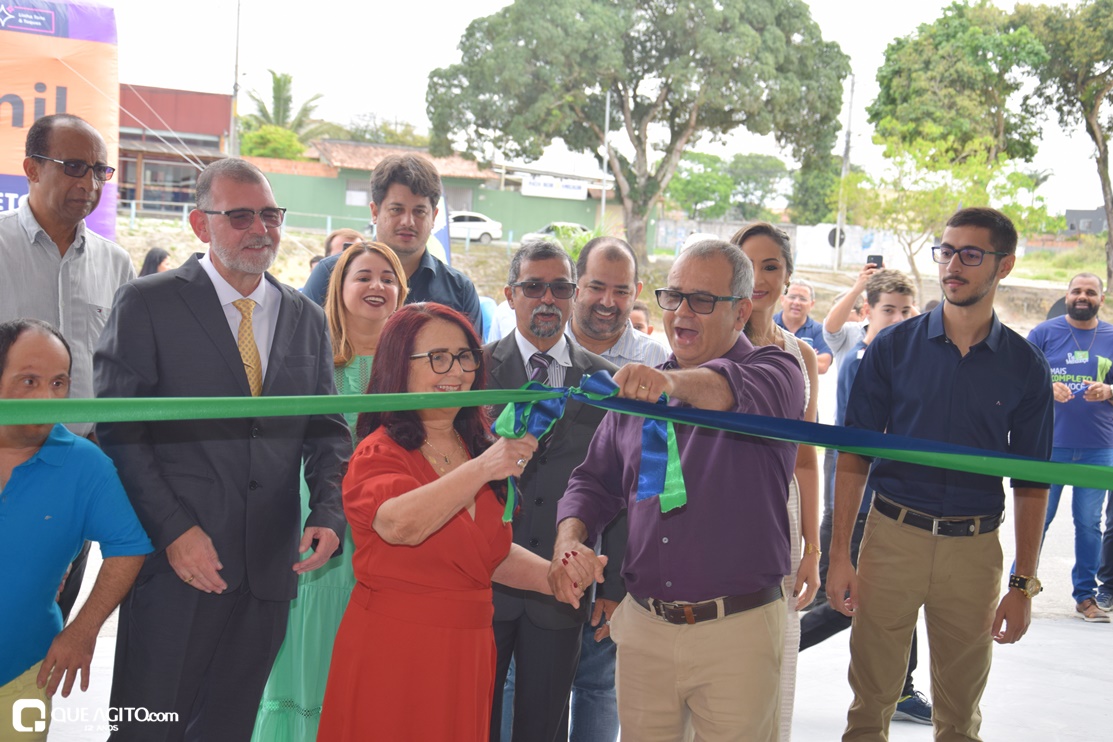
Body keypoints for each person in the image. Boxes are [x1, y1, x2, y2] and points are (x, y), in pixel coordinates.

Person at [94, 158, 351, 741]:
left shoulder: (305, 317)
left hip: (268, 567)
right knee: (147, 726)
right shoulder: (147, 303)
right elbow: (120, 431)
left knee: (228, 728)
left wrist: (328, 511)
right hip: (177, 564)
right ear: (199, 223)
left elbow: (328, 430)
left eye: (270, 215)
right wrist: (174, 530)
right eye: (240, 216)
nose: (260, 229)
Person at [552, 238, 805, 741]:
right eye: (674, 297)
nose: (682, 312)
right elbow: (592, 481)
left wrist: (670, 386)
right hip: (644, 630)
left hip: (736, 632)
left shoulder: (777, 372)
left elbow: (725, 389)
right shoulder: (642, 392)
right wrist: (569, 539)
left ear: (741, 311)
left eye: (702, 300)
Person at [827, 207, 1054, 741]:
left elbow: (1032, 481)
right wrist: (839, 554)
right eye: (947, 251)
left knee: (959, 717)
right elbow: (854, 454)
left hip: (974, 551)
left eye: (970, 254)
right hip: (891, 538)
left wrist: (1022, 584)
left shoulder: (1025, 366)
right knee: (869, 708)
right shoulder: (891, 348)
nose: (953, 265)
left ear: (1004, 265)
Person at [317, 303, 563, 741]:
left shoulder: (476, 447)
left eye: (465, 356)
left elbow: (482, 553)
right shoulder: (379, 452)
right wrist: (483, 469)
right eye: (437, 358)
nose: (457, 371)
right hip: (396, 651)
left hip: (468, 652)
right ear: (399, 366)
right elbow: (400, 526)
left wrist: (555, 578)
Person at [252, 241, 407, 740]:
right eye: (363, 276)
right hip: (318, 513)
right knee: (310, 637)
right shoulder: (310, 358)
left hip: (390, 525)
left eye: (388, 278)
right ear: (339, 288)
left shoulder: (415, 370)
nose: (377, 286)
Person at [0, 113, 135, 623]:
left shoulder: (116, 264)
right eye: (75, 166)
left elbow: (120, 368)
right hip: (4, 464)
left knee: (46, 620)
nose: (90, 183)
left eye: (100, 170)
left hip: (74, 469)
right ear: (32, 169)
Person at [485, 241, 618, 742]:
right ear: (510, 295)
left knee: (544, 725)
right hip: (484, 578)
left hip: (564, 585)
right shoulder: (474, 371)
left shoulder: (604, 381)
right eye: (533, 287)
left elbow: (621, 485)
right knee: (474, 718)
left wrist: (614, 584)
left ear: (575, 294)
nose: (547, 298)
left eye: (560, 287)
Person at [0, 319, 151, 742]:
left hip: (23, 678)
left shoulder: (86, 465)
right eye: (29, 381)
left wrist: (82, 631)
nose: (47, 398)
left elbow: (129, 546)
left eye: (58, 383)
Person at [799, 268, 932, 724]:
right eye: (888, 310)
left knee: (901, 594)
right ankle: (772, 653)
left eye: (905, 311)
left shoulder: (909, 358)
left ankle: (902, 689)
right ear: (867, 314)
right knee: (844, 602)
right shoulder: (861, 355)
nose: (897, 318)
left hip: (897, 497)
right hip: (856, 499)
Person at [563, 237, 667, 742]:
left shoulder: (659, 365)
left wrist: (618, 583)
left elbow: (652, 482)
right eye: (596, 287)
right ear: (576, 286)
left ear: (637, 292)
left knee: (600, 686)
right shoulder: (544, 349)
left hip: (617, 563)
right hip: (540, 551)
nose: (608, 301)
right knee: (520, 684)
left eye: (621, 291)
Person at [731, 223, 820, 741]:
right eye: (748, 265)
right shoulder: (706, 344)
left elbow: (806, 459)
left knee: (770, 666)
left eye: (772, 267)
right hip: (713, 512)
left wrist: (812, 548)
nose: (760, 279)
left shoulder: (800, 355)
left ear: (788, 277)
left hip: (779, 520)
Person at [301, 154, 483, 333]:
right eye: (396, 209)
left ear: (434, 217)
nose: (408, 222)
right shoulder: (329, 275)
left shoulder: (459, 291)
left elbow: (472, 352)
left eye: (419, 211)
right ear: (374, 212)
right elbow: (302, 345)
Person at [1026, 272, 1113, 622]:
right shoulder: (1043, 334)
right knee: (1037, 519)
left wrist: (1109, 391)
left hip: (1098, 448)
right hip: (1050, 446)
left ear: (1100, 299)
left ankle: (1086, 597)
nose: (1082, 296)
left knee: (1089, 524)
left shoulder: (1111, 336)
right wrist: (1046, 387)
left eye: (1090, 292)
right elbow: (1019, 381)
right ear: (1067, 295)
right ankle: (1020, 590)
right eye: (1077, 290)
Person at [775, 278, 833, 374]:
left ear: (812, 304)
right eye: (792, 297)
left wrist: (779, 355)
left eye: (803, 299)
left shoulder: (819, 330)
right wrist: (809, 356)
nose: (796, 302)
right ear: (782, 299)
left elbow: (823, 365)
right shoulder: (770, 324)